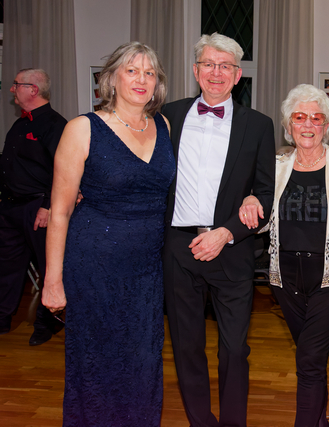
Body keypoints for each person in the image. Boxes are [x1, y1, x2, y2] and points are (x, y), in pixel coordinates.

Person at [42, 42, 174, 425]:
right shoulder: (82, 128)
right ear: (112, 78)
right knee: (97, 364)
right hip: (94, 268)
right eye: (132, 70)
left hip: (146, 272)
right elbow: (60, 212)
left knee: (143, 363)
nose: (141, 79)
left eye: (149, 72)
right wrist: (52, 281)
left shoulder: (163, 126)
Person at [239, 83, 329, 427]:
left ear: (327, 126)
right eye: (300, 117)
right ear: (289, 125)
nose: (308, 124)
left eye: (317, 118)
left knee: (309, 360)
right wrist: (250, 199)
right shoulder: (274, 166)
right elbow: (261, 218)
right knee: (311, 359)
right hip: (285, 278)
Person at [161, 33, 275, 427]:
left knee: (234, 349)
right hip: (178, 247)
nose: (216, 72)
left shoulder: (258, 125)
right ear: (196, 71)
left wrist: (226, 232)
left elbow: (265, 194)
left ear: (238, 75)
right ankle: (200, 421)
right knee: (186, 346)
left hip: (231, 249)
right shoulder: (168, 116)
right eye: (209, 64)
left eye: (225, 66)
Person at [0, 68, 66, 344]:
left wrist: (48, 206)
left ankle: (47, 324)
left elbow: (63, 171)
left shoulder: (55, 125)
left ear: (33, 89)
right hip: (11, 208)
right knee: (7, 266)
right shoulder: (19, 124)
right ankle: (2, 317)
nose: (12, 89)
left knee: (48, 267)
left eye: (16, 84)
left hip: (38, 208)